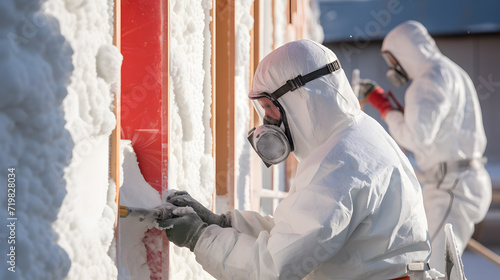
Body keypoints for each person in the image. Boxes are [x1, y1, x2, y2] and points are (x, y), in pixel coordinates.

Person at [158, 39, 437, 279]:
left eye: (269, 107)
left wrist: (200, 239)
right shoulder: (358, 134)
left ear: (301, 98)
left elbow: (272, 268)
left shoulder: (338, 165)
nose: (267, 122)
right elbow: (293, 234)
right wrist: (224, 224)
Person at [359, 20, 492, 273]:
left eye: (392, 61)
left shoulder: (427, 80)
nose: (393, 69)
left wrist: (385, 107)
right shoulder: (448, 72)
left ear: (404, 54)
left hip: (452, 188)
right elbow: (431, 126)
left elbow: (417, 138)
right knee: (439, 266)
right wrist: (389, 105)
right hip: (460, 182)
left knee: (428, 264)